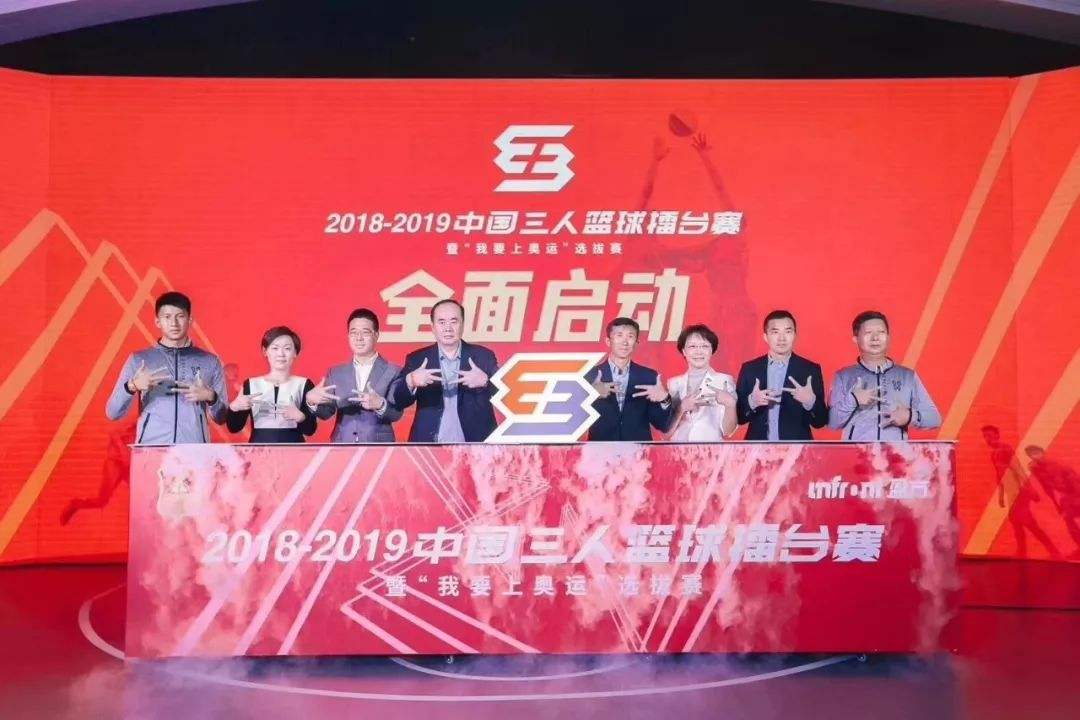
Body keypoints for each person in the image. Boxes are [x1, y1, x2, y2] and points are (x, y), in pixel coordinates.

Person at [105, 291, 228, 444]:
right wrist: (132, 386)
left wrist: (211, 397)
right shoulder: (139, 360)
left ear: (190, 320)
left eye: (180, 316)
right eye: (167, 317)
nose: (174, 323)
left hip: (194, 451)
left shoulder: (209, 361)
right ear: (158, 322)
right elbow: (113, 413)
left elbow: (223, 418)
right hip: (151, 449)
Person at [390, 298, 499, 442]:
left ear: (462, 324)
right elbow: (398, 400)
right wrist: (411, 381)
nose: (448, 328)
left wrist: (486, 381)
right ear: (432, 326)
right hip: (429, 445)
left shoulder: (483, 356)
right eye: (441, 322)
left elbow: (503, 395)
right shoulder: (417, 359)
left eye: (454, 321)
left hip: (477, 444)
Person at [828, 310, 941, 441]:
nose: (875, 338)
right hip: (856, 452)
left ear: (888, 337)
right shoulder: (844, 376)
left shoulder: (907, 376)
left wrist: (910, 416)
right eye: (868, 333)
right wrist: (853, 399)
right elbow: (832, 423)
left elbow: (935, 419)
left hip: (895, 452)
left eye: (881, 332)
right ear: (856, 339)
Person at [305, 308, 402, 443]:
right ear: (348, 336)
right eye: (354, 332)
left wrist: (380, 405)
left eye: (365, 332)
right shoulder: (336, 372)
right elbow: (326, 413)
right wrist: (311, 402)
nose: (359, 338)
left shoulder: (393, 371)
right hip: (342, 444)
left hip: (379, 446)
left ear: (376, 335)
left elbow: (396, 413)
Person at [735, 310, 828, 440]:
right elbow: (738, 418)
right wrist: (752, 402)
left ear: (795, 335)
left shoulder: (810, 370)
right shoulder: (750, 369)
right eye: (775, 332)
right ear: (765, 337)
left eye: (788, 331)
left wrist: (810, 402)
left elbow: (820, 422)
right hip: (757, 448)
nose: (782, 338)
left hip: (797, 448)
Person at [587, 317, 675, 441]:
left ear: (636, 343)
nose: (625, 342)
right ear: (608, 341)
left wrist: (664, 399)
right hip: (600, 448)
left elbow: (662, 425)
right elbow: (572, 416)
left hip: (638, 450)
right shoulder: (590, 375)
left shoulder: (648, 376)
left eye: (630, 336)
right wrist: (590, 394)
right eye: (619, 335)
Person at [226, 326, 317, 443]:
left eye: (287, 348)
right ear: (265, 351)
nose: (281, 354)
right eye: (275, 348)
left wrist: (301, 417)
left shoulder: (304, 384)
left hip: (294, 450)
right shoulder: (251, 384)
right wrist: (234, 407)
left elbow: (310, 430)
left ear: (295, 352)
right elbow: (234, 428)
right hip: (259, 450)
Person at [666, 324, 737, 441]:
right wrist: (681, 408)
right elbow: (666, 432)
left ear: (712, 350)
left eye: (704, 346)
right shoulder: (673, 384)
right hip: (678, 449)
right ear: (684, 351)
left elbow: (728, 431)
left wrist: (730, 405)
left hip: (710, 449)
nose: (699, 351)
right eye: (692, 346)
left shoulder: (724, 380)